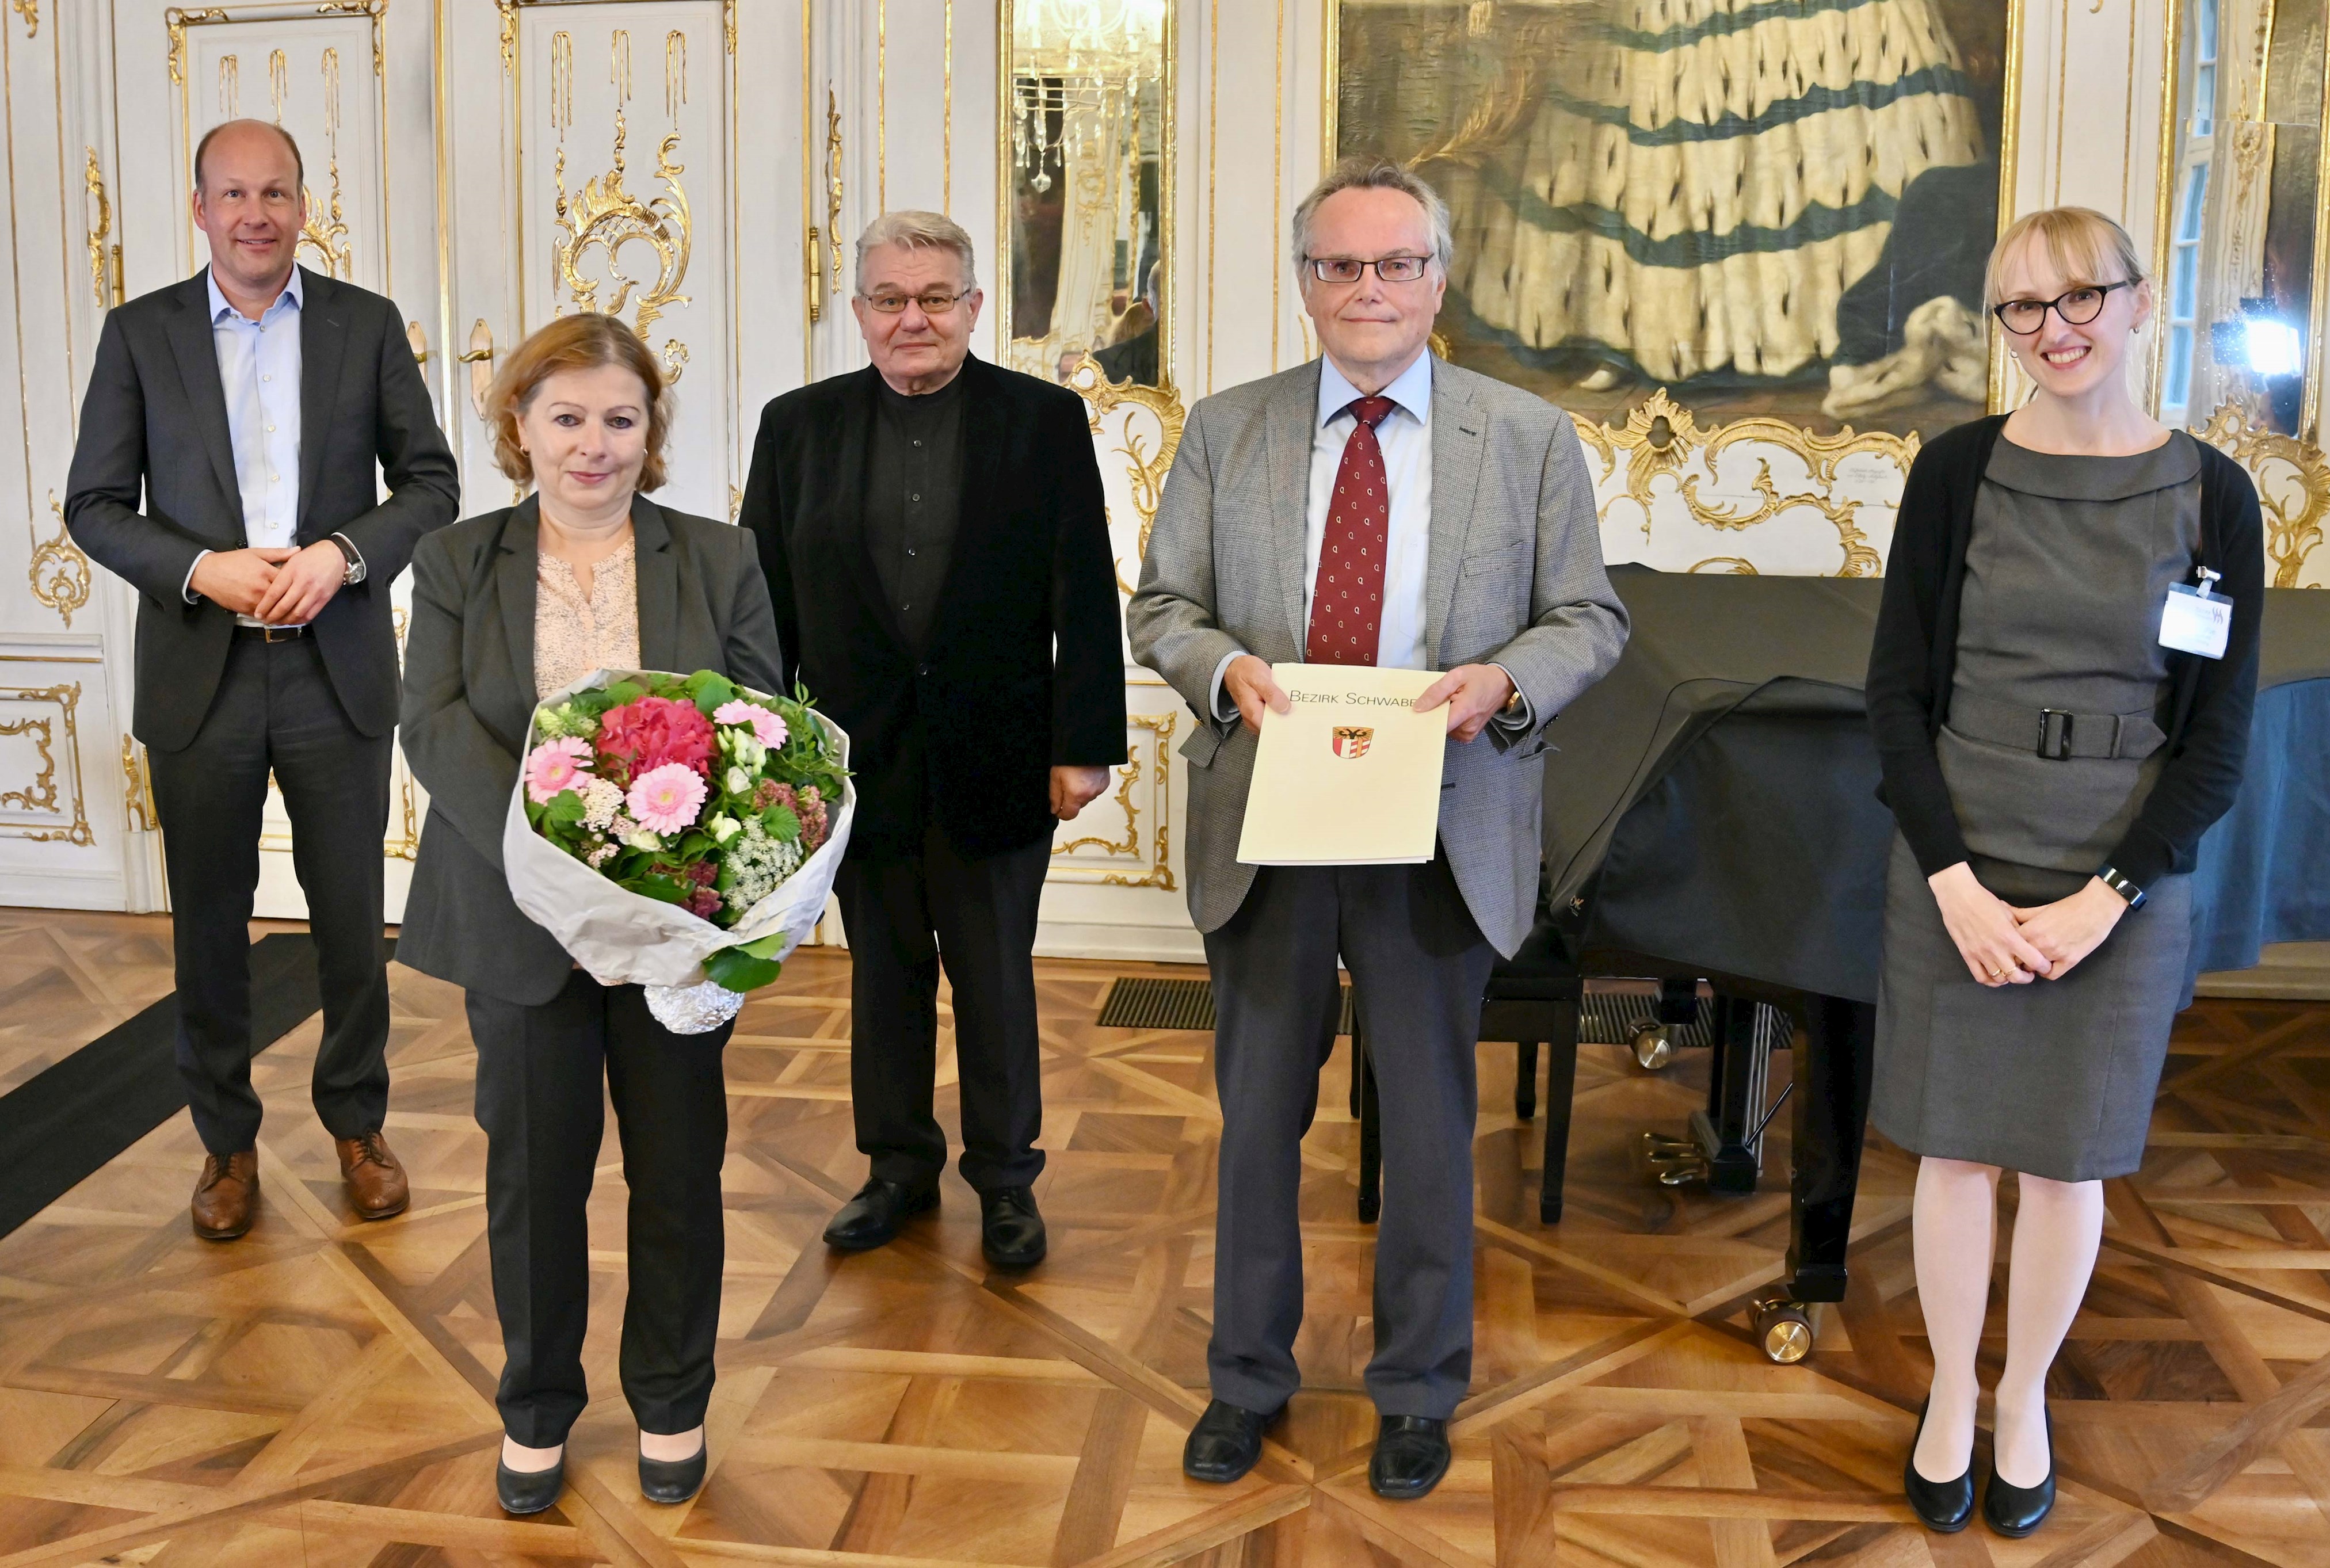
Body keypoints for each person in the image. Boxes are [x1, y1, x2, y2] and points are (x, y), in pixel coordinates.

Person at [1127, 157, 1629, 1500]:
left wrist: (1501, 683)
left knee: (1425, 1125)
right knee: (1253, 1126)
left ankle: (1415, 1387)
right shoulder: (1226, 430)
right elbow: (1161, 605)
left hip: (1442, 824)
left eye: (1395, 264)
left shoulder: (1520, 439)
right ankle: (1245, 1377)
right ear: (1303, 283)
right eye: (1340, 265)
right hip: (1268, 821)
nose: (1369, 289)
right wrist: (1221, 669)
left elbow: (1588, 616)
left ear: (1437, 281)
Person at [1866, 207, 2263, 1539]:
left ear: (2139, 302)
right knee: (1957, 1150)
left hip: (2119, 863)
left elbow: (2213, 744)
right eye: (2021, 310)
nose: (2054, 330)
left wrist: (2112, 895)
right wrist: (1953, 882)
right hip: (1958, 852)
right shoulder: (1954, 473)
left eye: (2080, 296)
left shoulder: (2211, 493)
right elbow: (1893, 697)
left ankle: (2021, 1395)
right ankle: (1941, 1396)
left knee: (2062, 1163)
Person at [398, 313, 783, 1516]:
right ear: (520, 427)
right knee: (534, 1176)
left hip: (671, 927)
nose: (593, 445)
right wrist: (555, 860)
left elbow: (759, 730)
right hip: (516, 923)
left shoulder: (717, 557)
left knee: (677, 1172)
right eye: (566, 418)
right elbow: (435, 723)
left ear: (649, 430)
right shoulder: (460, 559)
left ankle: (672, 1398)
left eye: (619, 419)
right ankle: (534, 1408)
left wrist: (659, 870)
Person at [63, 119, 458, 1241]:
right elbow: (92, 507)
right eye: (232, 194)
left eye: (275, 193)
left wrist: (344, 554)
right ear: (199, 209)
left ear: (300, 206)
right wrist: (202, 568)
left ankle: (357, 1124)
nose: (254, 214)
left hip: (336, 673)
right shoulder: (140, 335)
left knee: (348, 923)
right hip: (203, 676)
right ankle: (225, 1146)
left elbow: (429, 481)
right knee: (209, 925)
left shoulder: (364, 325)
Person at [738, 211, 1127, 1271]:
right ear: (858, 310)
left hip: (1000, 750)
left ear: (973, 307)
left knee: (994, 975)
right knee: (884, 972)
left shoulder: (1042, 421)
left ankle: (1007, 1181)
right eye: (890, 300)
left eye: (935, 298)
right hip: (851, 761)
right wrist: (771, 755)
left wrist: (1083, 740)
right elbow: (762, 600)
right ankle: (897, 1168)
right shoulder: (796, 426)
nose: (913, 318)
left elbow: (1082, 590)